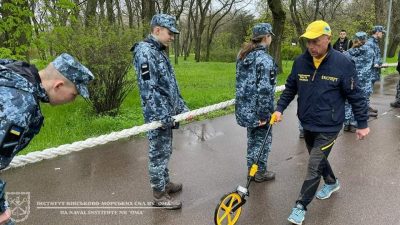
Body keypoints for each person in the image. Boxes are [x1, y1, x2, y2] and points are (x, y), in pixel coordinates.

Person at [271, 20, 370, 225]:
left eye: (315, 41)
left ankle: (300, 206)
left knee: (314, 165)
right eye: (308, 41)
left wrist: (362, 123)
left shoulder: (343, 63)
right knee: (319, 157)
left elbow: (356, 95)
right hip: (307, 122)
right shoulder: (300, 62)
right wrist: (279, 109)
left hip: (330, 125)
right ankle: (332, 182)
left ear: (328, 39)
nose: (311, 46)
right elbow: (290, 87)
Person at [0, 53, 94, 224]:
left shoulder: (14, 74)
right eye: (74, 94)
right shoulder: (20, 104)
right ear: (58, 85)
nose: (72, 101)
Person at [131, 14, 191, 210]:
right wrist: (162, 116)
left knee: (165, 150)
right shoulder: (145, 52)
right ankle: (159, 195)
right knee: (158, 154)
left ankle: (165, 184)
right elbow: (149, 89)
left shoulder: (158, 51)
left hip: (168, 114)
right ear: (157, 30)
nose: (172, 37)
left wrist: (182, 107)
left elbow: (169, 86)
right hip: (158, 116)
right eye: (169, 33)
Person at [235, 23, 277, 182]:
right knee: (261, 141)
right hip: (259, 110)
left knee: (252, 140)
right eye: (270, 36)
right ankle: (259, 172)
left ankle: (251, 170)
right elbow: (265, 89)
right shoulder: (265, 59)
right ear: (266, 37)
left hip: (245, 109)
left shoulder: (243, 55)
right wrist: (265, 114)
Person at [343, 31, 377, 132]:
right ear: (365, 40)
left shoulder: (347, 53)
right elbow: (373, 65)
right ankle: (354, 123)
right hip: (364, 82)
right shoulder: (371, 51)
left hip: (351, 81)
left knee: (348, 102)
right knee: (360, 102)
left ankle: (346, 123)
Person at [365, 25, 386, 113]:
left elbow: (376, 57)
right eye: (382, 32)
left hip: (374, 71)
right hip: (369, 71)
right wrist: (377, 64)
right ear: (377, 32)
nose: (382, 34)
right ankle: (364, 110)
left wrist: (381, 64)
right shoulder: (370, 43)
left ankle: (367, 107)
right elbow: (368, 59)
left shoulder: (375, 42)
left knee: (369, 90)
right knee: (366, 90)